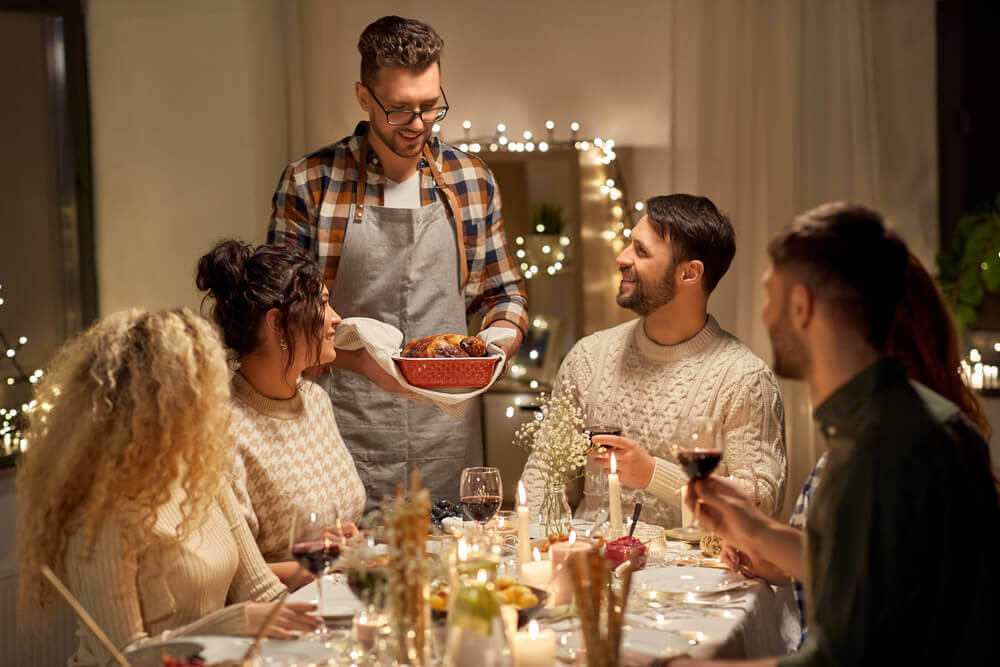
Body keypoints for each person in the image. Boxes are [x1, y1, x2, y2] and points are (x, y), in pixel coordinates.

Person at [678, 203, 1000, 666]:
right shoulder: (911, 418)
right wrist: (754, 528)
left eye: (770, 297)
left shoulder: (878, 452)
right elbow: (869, 573)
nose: (765, 317)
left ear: (801, 306)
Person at [268, 16, 527, 507]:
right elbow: (285, 321)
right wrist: (364, 365)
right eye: (399, 110)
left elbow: (505, 294)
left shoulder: (472, 180)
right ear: (364, 98)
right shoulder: (310, 183)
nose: (418, 125)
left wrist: (494, 348)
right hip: (344, 423)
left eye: (431, 107)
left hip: (447, 432)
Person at [16, 309, 320, 666]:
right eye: (199, 390)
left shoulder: (200, 475)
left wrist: (322, 622)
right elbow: (123, 657)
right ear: (152, 404)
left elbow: (262, 592)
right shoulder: (102, 512)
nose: (213, 404)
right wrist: (237, 621)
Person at [521, 194, 787, 527]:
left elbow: (761, 504)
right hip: (591, 563)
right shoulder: (590, 357)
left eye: (641, 250)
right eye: (628, 245)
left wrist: (653, 475)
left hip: (695, 574)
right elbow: (545, 468)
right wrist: (539, 544)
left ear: (689, 274)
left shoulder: (744, 379)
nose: (621, 257)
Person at [196, 240, 366, 584]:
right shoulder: (223, 429)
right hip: (279, 620)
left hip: (340, 600)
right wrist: (332, 564)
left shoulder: (316, 401)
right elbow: (234, 577)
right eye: (321, 304)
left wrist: (346, 546)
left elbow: (326, 536)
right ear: (276, 324)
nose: (336, 319)